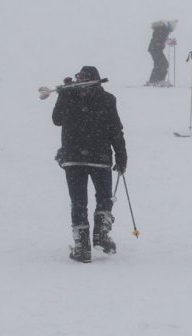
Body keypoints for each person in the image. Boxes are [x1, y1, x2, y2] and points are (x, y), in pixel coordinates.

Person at [52, 66, 127, 263]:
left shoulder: (76, 96)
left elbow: (115, 129)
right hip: (95, 158)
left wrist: (121, 155)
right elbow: (57, 120)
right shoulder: (103, 99)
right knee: (93, 199)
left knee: (86, 201)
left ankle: (86, 244)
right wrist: (120, 154)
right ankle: (93, 240)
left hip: (79, 157)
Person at [147, 20, 178, 87]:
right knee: (163, 64)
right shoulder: (163, 29)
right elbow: (162, 38)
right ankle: (159, 81)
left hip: (155, 49)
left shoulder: (161, 29)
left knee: (160, 64)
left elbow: (161, 38)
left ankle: (154, 81)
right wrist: (170, 41)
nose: (171, 31)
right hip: (156, 49)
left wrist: (169, 41)